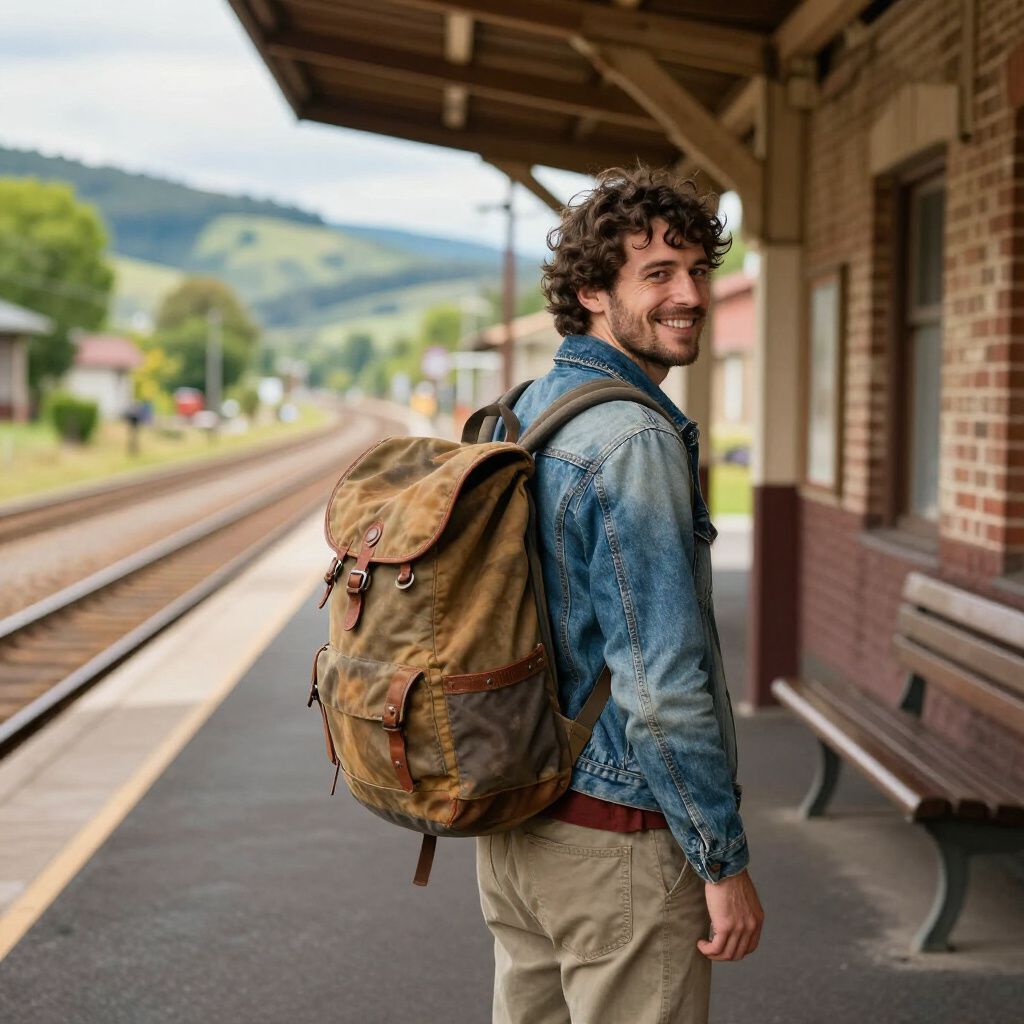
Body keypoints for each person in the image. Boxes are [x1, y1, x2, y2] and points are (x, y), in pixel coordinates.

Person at [476, 166, 764, 1024]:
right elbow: (661, 685)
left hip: (519, 826)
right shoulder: (632, 438)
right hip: (617, 842)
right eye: (659, 274)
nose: (692, 295)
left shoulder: (522, 410)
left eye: (697, 271)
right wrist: (722, 861)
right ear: (593, 292)